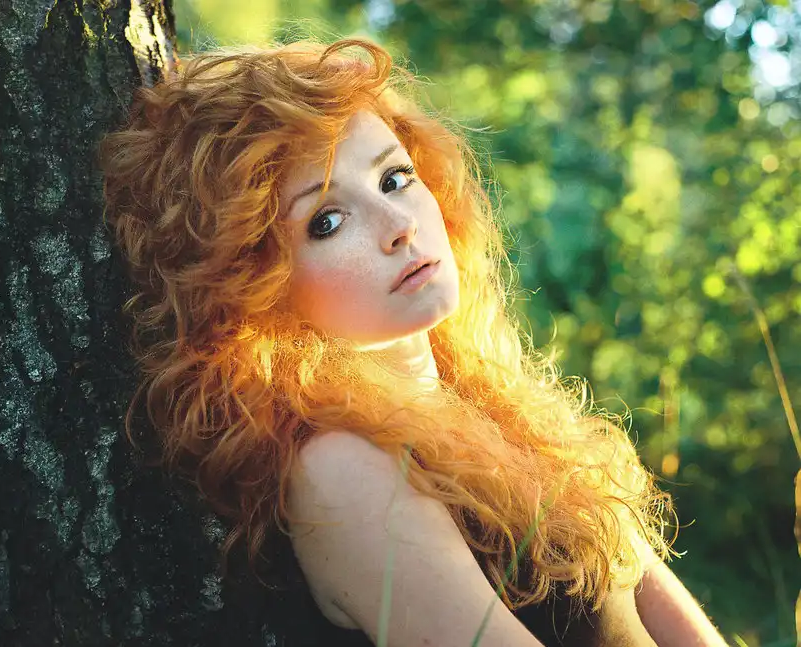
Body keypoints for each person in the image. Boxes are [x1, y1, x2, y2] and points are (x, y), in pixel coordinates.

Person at [98, 37, 730, 647]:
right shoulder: (341, 471)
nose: (398, 225)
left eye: (395, 178)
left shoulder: (499, 405)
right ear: (251, 282)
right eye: (327, 221)